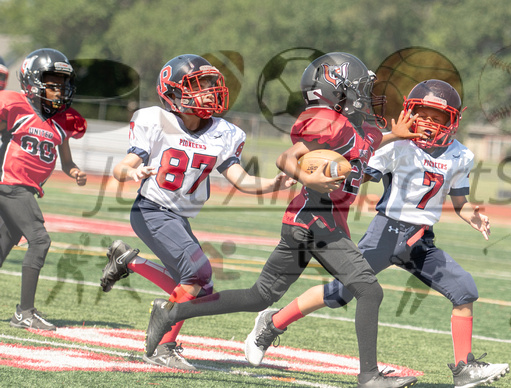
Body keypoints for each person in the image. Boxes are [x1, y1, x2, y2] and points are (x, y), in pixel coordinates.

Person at [144, 52, 425, 388]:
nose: (365, 95)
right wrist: (310, 179)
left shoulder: (359, 130)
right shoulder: (329, 123)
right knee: (369, 290)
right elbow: (286, 158)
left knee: (259, 296)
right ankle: (369, 377)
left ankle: (170, 313)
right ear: (336, 89)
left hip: (308, 221)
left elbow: (369, 143)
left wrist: (398, 134)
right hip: (315, 220)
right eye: (360, 88)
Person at [243, 80, 510, 388]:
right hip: (385, 234)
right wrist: (322, 171)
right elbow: (353, 170)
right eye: (423, 115)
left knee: (464, 289)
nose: (428, 123)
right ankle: (271, 324)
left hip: (421, 240)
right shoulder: (397, 146)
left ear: (452, 122)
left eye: (437, 118)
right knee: (339, 292)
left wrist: (470, 215)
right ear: (409, 113)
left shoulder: (461, 156)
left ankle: (464, 368)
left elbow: (459, 202)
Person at [99, 54, 295, 371]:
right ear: (174, 92)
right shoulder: (154, 120)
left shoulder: (223, 132)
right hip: (152, 210)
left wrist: (273, 184)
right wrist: (130, 173)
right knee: (198, 273)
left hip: (178, 217)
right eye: (198, 85)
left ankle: (128, 261)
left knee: (200, 287)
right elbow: (125, 165)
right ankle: (163, 347)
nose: (208, 92)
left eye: (210, 85)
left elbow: (241, 180)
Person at [0, 48, 87, 331]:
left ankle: (24, 312)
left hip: (25, 189)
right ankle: (24, 312)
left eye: (62, 85)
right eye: (52, 84)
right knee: (39, 240)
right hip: (11, 185)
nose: (59, 90)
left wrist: (74, 171)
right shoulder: (14, 105)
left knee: (4, 243)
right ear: (32, 81)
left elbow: (66, 160)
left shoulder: (63, 122)